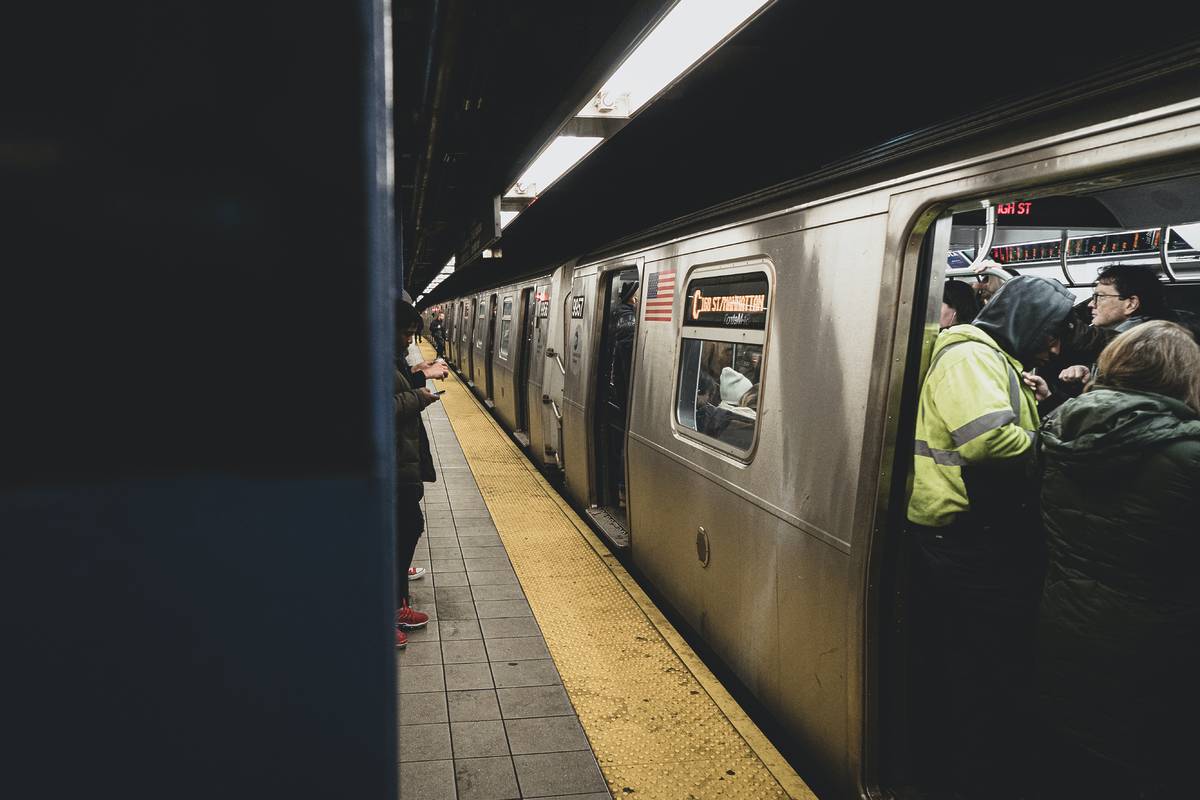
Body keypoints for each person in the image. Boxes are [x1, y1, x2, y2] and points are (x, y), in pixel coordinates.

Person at [905, 274, 1075, 797]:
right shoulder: (970, 356)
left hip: (971, 530)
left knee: (976, 654)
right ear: (1023, 320)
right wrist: (1052, 443)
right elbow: (988, 443)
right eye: (1050, 332)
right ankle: (970, 769)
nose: (1054, 346)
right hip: (960, 533)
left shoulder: (994, 360)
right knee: (978, 659)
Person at [1036, 320, 1200, 798]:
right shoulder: (1187, 454)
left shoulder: (1060, 429)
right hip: (1159, 641)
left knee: (1081, 753)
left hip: (1064, 619)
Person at [393, 300, 438, 648]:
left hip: (400, 460)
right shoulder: (376, 357)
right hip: (392, 463)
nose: (409, 341)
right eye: (406, 333)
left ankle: (397, 604)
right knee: (407, 526)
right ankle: (392, 608)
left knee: (406, 525)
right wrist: (419, 396)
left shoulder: (388, 357)